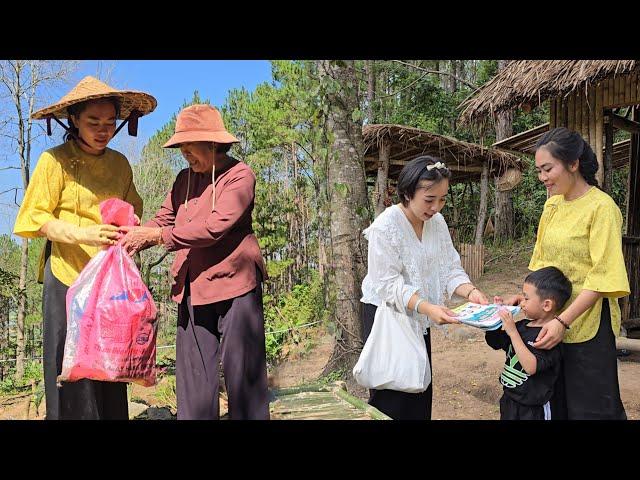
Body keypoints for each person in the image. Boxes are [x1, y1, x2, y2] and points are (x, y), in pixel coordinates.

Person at [13, 76, 156, 419]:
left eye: (109, 123)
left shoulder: (120, 164)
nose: (103, 130)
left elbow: (133, 209)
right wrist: (84, 234)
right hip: (66, 278)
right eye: (93, 122)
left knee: (110, 362)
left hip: (106, 285)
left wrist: (128, 229)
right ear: (74, 119)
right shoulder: (55, 161)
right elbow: (34, 220)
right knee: (68, 367)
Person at [119, 104, 269, 420]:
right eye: (181, 147)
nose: (184, 152)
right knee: (194, 383)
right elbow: (162, 218)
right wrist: (129, 236)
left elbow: (214, 227)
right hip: (192, 289)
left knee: (243, 376)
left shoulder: (239, 176)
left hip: (235, 284)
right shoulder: (183, 179)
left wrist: (156, 237)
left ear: (213, 143)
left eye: (190, 145)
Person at [498, 127, 630, 420]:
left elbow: (603, 276)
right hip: (548, 321)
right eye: (539, 170)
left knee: (590, 406)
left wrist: (562, 321)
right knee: (553, 402)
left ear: (573, 164)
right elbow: (541, 262)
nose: (542, 177)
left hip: (586, 323)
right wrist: (524, 297)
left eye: (548, 169)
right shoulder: (552, 206)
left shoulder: (602, 208)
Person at [359, 155, 489, 420]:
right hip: (387, 317)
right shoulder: (385, 227)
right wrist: (428, 307)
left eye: (442, 199)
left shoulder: (436, 223)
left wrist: (471, 292)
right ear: (407, 193)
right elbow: (387, 285)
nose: (436, 208)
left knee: (419, 389)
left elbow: (449, 267)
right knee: (391, 397)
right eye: (429, 200)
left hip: (421, 317)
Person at [486, 266, 571, 420]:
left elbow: (531, 366)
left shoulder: (549, 337)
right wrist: (494, 321)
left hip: (534, 409)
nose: (522, 303)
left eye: (526, 298)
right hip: (510, 399)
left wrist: (512, 332)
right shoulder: (521, 326)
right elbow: (495, 343)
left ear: (546, 305)